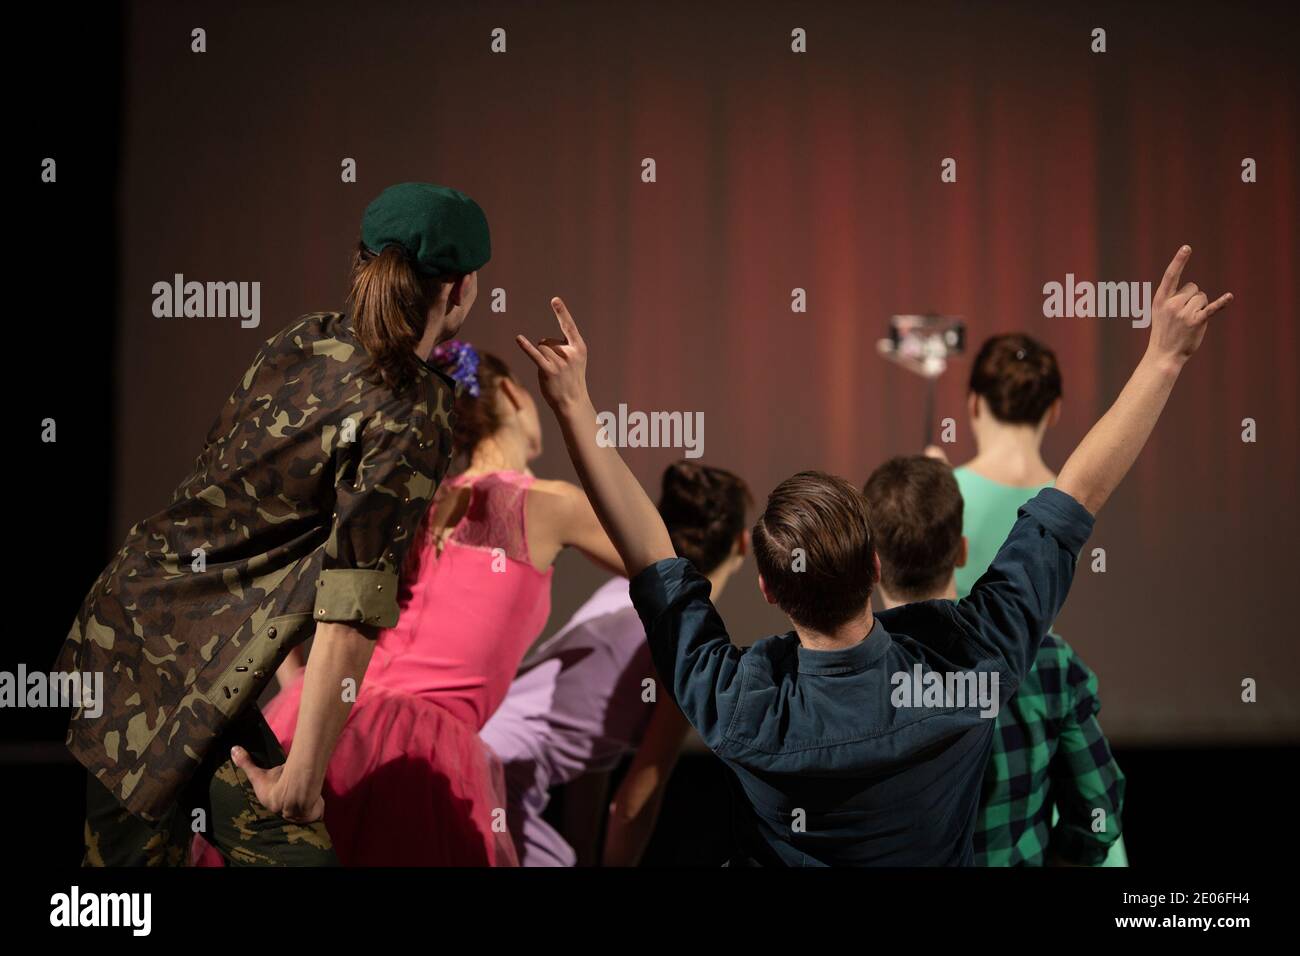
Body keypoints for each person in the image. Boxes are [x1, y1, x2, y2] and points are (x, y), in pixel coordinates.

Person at [514, 245, 1230, 865]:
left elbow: (650, 556)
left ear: (768, 586)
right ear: (874, 564)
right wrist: (1163, 359)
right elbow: (1074, 499)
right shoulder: (968, 669)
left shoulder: (740, 705)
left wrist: (574, 405)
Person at [56, 182, 490, 865]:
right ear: (462, 289)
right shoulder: (413, 407)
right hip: (181, 673)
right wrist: (302, 781)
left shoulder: (304, 338)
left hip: (128, 630)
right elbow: (350, 605)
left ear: (363, 265)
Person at [233, 344, 625, 866]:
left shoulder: (417, 502)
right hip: (418, 751)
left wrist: (298, 691)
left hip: (320, 717)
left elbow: (278, 581)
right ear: (511, 392)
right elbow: (656, 559)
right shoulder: (548, 503)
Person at [480, 461, 752, 866]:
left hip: (468, 755)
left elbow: (593, 761)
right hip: (496, 785)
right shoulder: (691, 640)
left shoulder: (622, 592)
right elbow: (633, 803)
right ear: (743, 544)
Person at [863, 454, 1125, 866]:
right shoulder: (1050, 663)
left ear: (871, 566)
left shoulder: (844, 684)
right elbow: (1098, 811)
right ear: (962, 550)